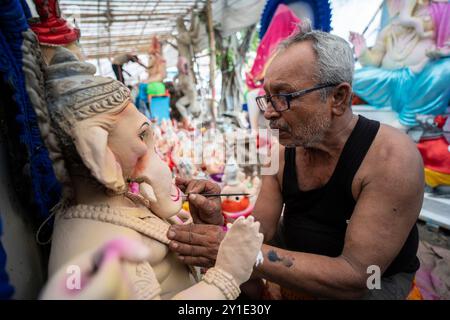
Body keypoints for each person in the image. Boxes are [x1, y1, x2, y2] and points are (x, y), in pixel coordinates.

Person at [166, 21, 425, 300]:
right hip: (300, 253)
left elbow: (358, 276)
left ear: (338, 98)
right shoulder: (278, 155)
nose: (269, 113)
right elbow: (260, 233)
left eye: (284, 96)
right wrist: (216, 222)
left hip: (376, 283)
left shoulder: (391, 158)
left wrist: (243, 251)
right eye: (268, 98)